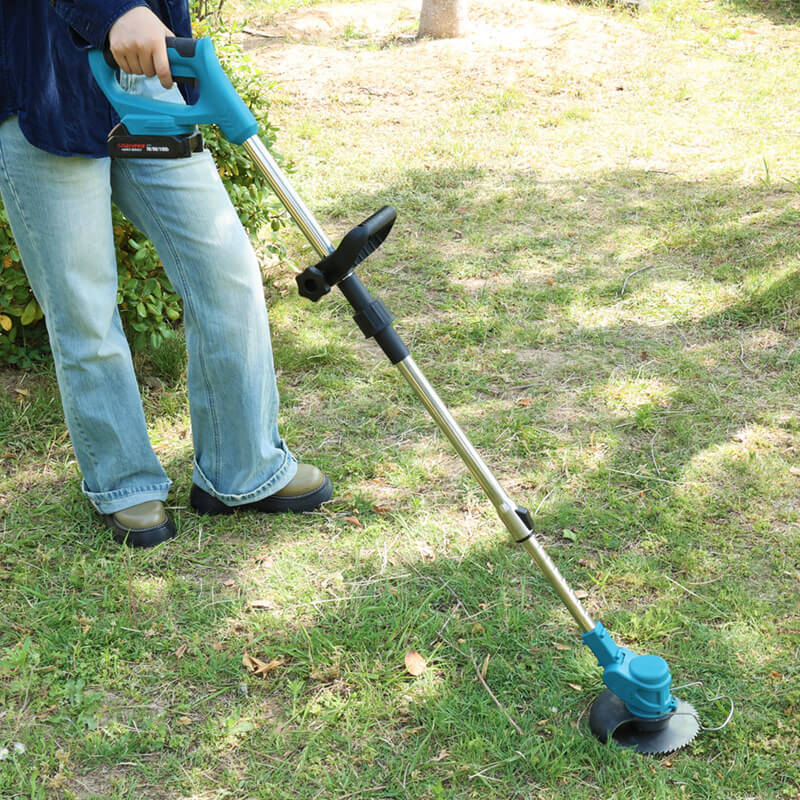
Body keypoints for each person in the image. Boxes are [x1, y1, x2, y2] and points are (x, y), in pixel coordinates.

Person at [0, 1, 332, 547]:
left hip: (144, 69)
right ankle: (124, 483)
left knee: (224, 270)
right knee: (82, 302)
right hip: (41, 74)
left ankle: (243, 466)